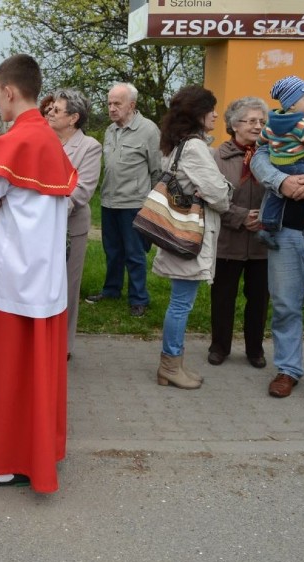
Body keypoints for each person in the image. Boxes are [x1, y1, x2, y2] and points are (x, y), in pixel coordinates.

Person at [0, 54, 77, 492]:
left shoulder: (13, 142)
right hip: (45, 279)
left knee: (4, 378)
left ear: (8, 91)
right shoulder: (50, 141)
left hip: (8, 280)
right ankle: (39, 453)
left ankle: (4, 462)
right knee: (37, 380)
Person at [251, 87, 304, 411]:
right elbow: (259, 156)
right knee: (284, 305)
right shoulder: (296, 120)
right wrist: (279, 180)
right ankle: (288, 369)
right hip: (284, 231)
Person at [153, 86, 231, 389]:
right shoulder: (195, 147)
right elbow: (219, 196)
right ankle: (170, 365)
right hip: (190, 236)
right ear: (198, 113)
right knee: (181, 303)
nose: (215, 114)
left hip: (178, 231)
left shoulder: (176, 144)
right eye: (211, 109)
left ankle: (173, 365)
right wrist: (222, 189)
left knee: (180, 301)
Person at [86, 83, 161, 318]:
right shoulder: (110, 130)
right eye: (109, 103)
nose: (111, 108)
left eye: (117, 103)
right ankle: (111, 290)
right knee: (112, 250)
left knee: (134, 253)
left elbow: (156, 170)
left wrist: (151, 201)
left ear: (132, 105)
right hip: (109, 201)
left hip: (135, 203)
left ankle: (139, 298)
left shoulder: (148, 130)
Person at [209, 97, 271, 368]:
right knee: (223, 297)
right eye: (252, 121)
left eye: (262, 121)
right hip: (228, 239)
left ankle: (255, 350)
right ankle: (219, 346)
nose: (258, 126)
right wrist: (241, 216)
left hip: (262, 242)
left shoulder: (271, 154)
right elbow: (211, 197)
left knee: (258, 299)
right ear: (234, 124)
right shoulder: (216, 157)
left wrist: (265, 218)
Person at [45, 88, 102, 359]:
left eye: (56, 110)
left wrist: (48, 210)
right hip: (39, 229)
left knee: (67, 285)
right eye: (50, 108)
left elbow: (82, 190)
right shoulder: (44, 140)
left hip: (69, 228)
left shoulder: (90, 147)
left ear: (73, 118)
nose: (50, 113)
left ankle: (63, 347)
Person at [257, 75, 304, 248]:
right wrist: (280, 181)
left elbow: (260, 141)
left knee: (277, 194)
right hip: (297, 163)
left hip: (278, 161)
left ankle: (266, 225)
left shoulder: (273, 120)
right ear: (293, 104)